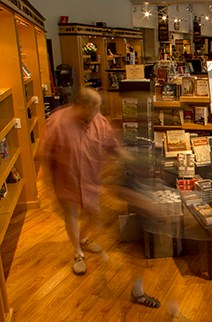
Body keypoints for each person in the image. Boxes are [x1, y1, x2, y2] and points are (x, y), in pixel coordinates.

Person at [40, 88, 160, 308]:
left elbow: (113, 146)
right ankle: (77, 253)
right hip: (65, 181)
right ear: (79, 106)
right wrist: (47, 184)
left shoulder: (99, 120)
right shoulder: (57, 121)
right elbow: (45, 154)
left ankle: (83, 240)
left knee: (92, 213)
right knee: (72, 214)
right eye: (94, 108)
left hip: (90, 180)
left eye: (98, 107)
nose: (98, 112)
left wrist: (130, 159)